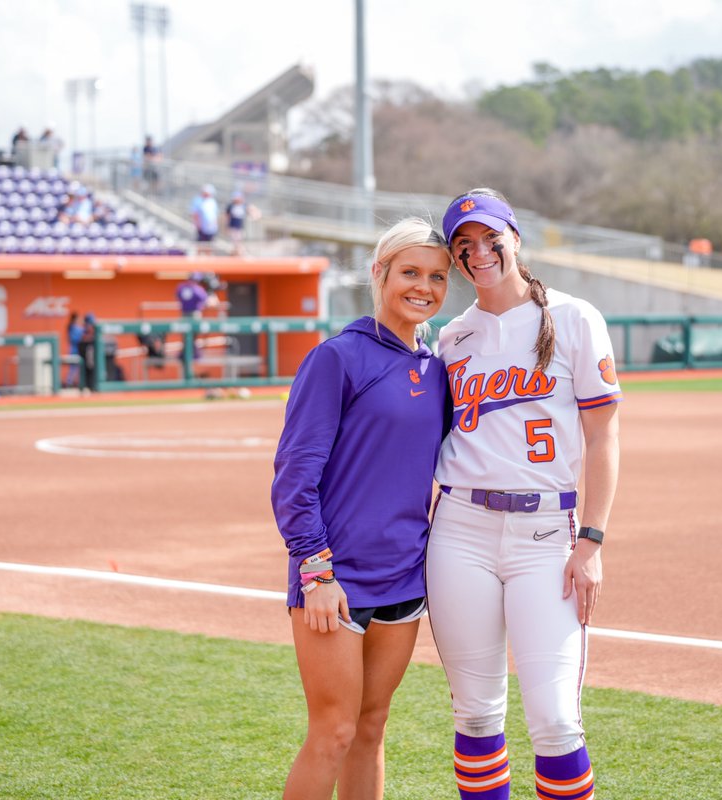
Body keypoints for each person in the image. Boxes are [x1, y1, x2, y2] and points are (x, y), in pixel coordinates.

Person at [427, 189, 621, 800]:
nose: (479, 252)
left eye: (490, 238)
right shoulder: (452, 338)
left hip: (546, 535)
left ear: (515, 238)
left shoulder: (574, 317)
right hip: (460, 531)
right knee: (476, 717)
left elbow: (603, 435)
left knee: (557, 721)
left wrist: (591, 542)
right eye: (464, 245)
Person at [271, 217, 452, 800]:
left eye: (438, 277)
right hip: (335, 577)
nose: (423, 287)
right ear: (380, 273)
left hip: (405, 575)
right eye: (410, 272)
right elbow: (294, 476)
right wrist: (316, 570)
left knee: (371, 729)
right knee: (333, 732)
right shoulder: (338, 358)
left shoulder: (438, 368)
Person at [190, 184, 219, 255]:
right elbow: (195, 214)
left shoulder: (212, 202)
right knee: (200, 245)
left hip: (211, 228)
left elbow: (215, 214)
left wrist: (215, 224)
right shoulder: (198, 200)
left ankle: (208, 258)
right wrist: (198, 224)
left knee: (209, 245)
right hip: (202, 227)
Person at [65, 312, 84, 388]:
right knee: (73, 368)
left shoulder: (76, 327)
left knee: (78, 368)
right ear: (75, 319)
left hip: (77, 350)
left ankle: (74, 383)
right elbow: (76, 338)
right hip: (74, 350)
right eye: (78, 319)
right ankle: (68, 383)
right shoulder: (73, 327)